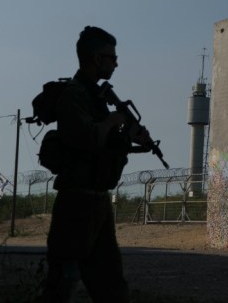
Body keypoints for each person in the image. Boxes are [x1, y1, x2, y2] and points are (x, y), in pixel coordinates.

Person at [37, 26, 146, 303]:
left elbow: (105, 147)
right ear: (97, 58)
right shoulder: (74, 95)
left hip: (97, 202)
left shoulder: (96, 98)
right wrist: (113, 121)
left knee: (112, 286)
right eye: (111, 57)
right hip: (76, 202)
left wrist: (129, 139)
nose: (116, 62)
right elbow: (84, 138)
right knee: (63, 282)